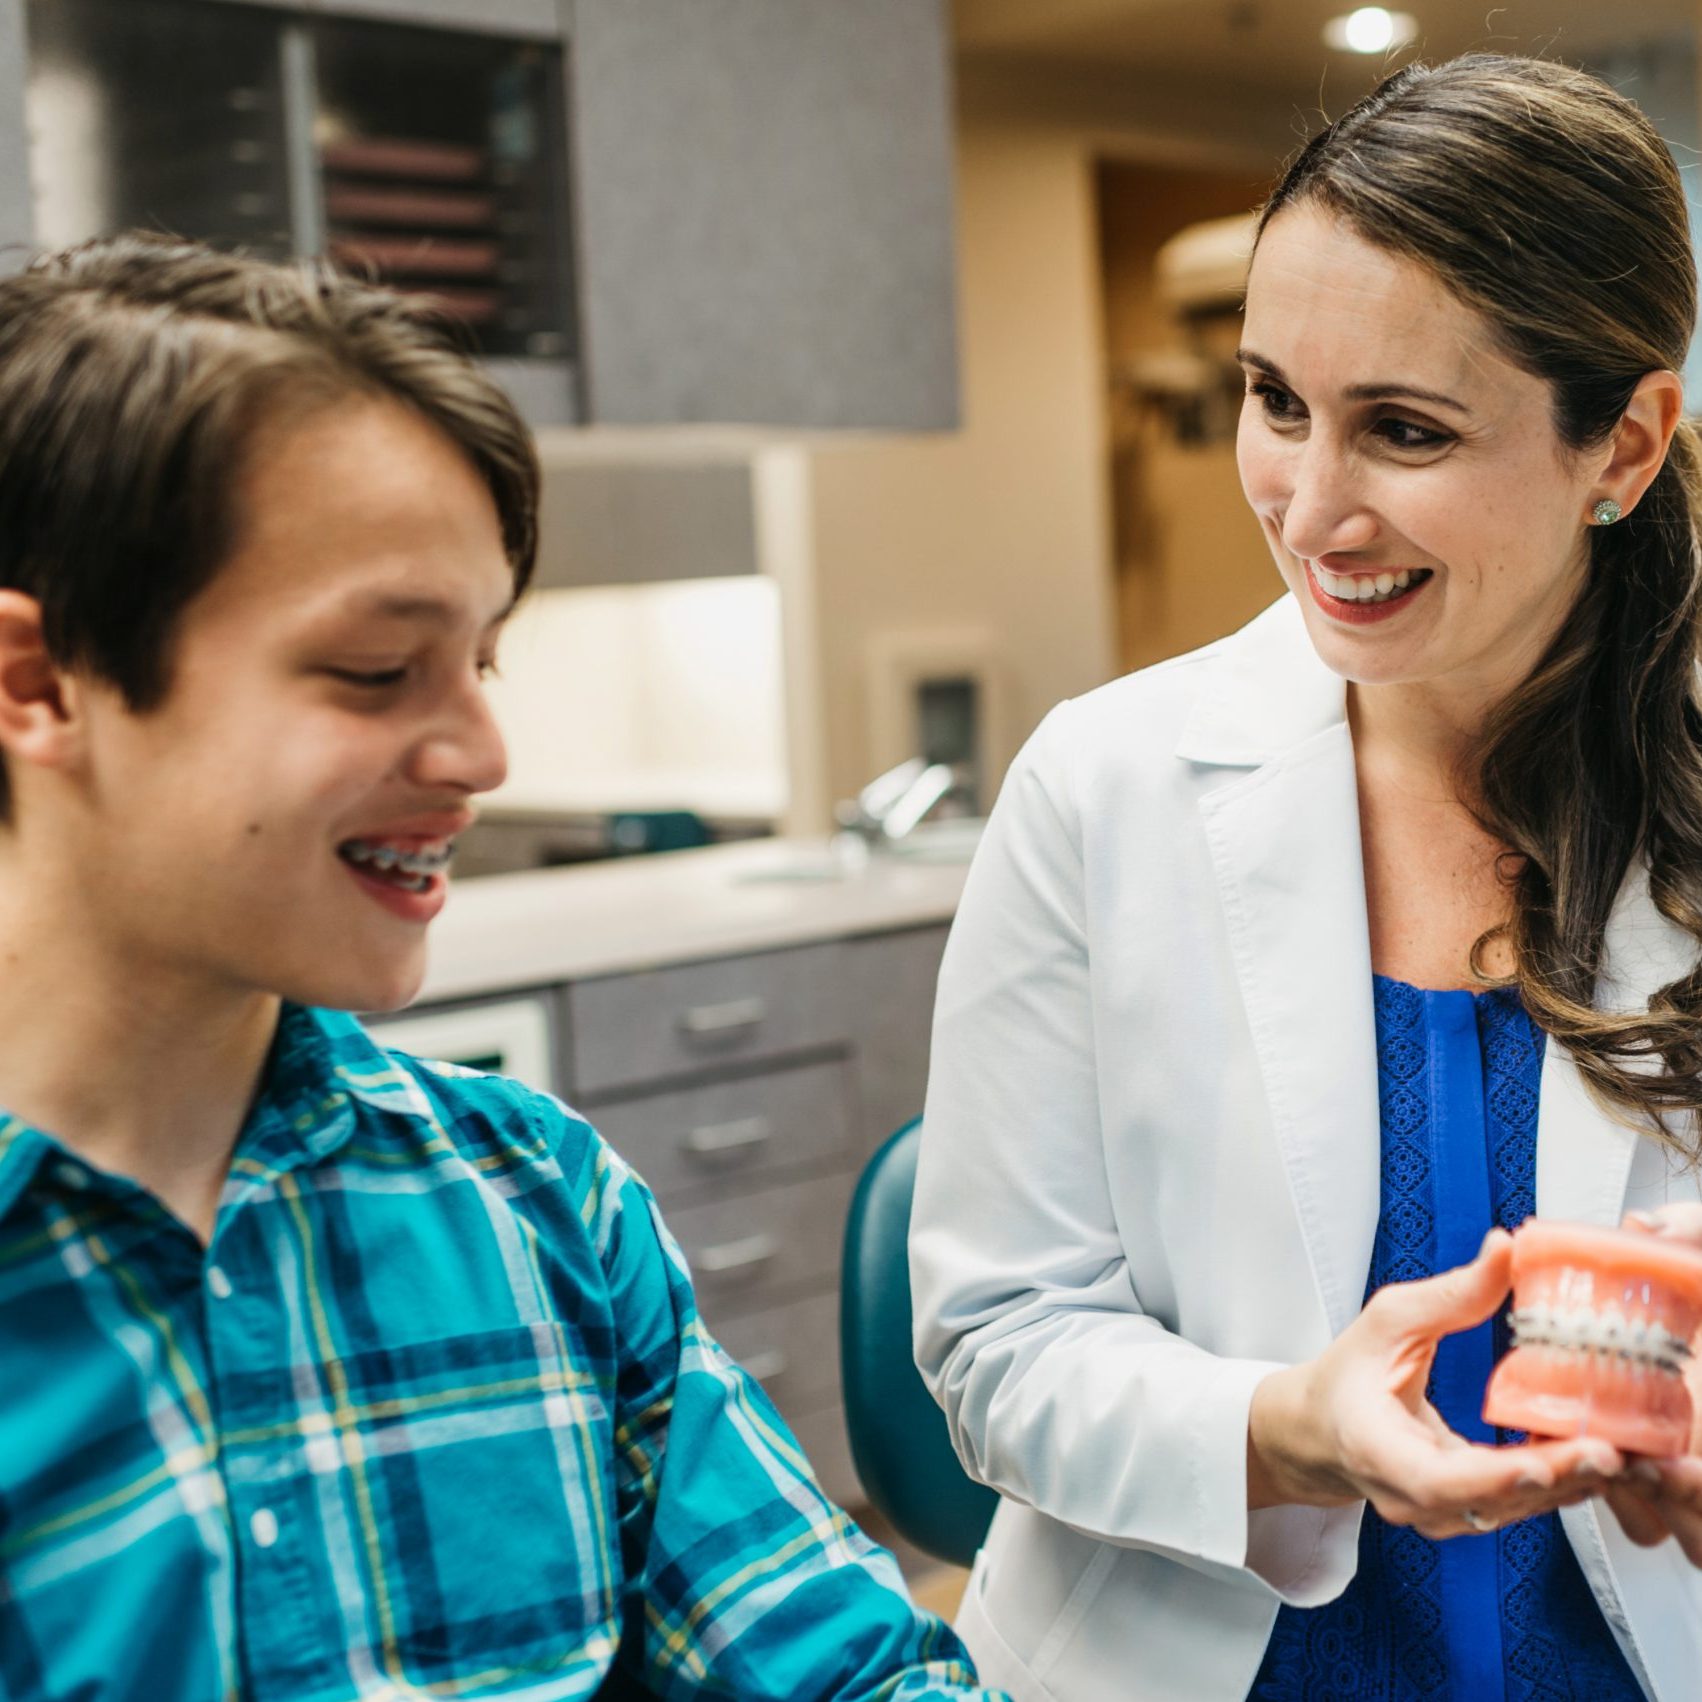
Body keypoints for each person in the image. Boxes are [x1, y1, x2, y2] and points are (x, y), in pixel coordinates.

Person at [0, 233, 1008, 1702]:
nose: (480, 754)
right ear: (39, 683)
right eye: (373, 670)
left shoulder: (536, 1196)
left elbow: (838, 1673)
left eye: (485, 660)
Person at [911, 53, 1702, 1702]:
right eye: (1276, 402)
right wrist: (1282, 1427)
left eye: (1401, 429)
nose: (1309, 506)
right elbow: (994, 1346)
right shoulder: (1102, 787)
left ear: (1620, 444)